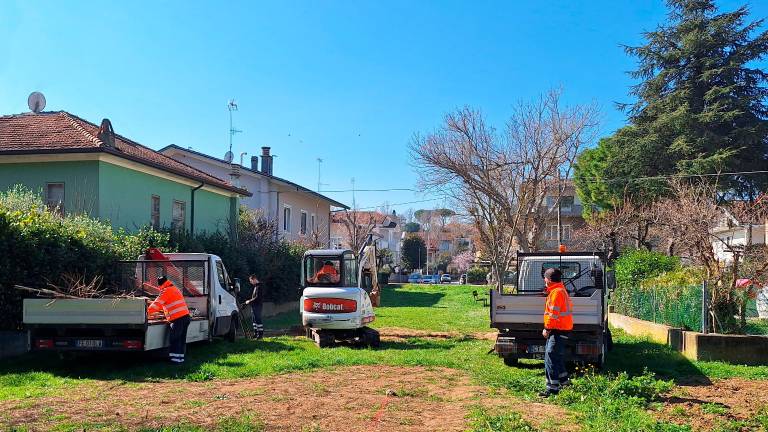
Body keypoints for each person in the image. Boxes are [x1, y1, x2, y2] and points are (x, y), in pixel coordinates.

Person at [539, 267, 573, 397]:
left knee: (550, 356)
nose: (544, 280)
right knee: (555, 356)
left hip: (558, 329)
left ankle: (552, 387)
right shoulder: (558, 290)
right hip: (561, 328)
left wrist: (547, 329)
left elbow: (553, 315)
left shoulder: (556, 293)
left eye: (545, 278)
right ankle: (564, 382)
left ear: (548, 280)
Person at [147, 276, 191, 364]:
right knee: (181, 340)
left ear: (160, 284)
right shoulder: (174, 288)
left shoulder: (165, 291)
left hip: (178, 319)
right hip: (185, 317)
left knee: (174, 339)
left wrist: (146, 312)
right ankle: (180, 359)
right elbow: (166, 304)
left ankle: (175, 361)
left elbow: (157, 304)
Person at [244, 274, 264, 339]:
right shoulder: (256, 286)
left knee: (258, 320)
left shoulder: (259, 287)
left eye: (251, 281)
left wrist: (249, 301)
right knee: (254, 320)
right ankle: (256, 333)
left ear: (254, 279)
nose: (250, 282)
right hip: (254, 306)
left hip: (258, 306)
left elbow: (257, 297)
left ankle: (260, 335)